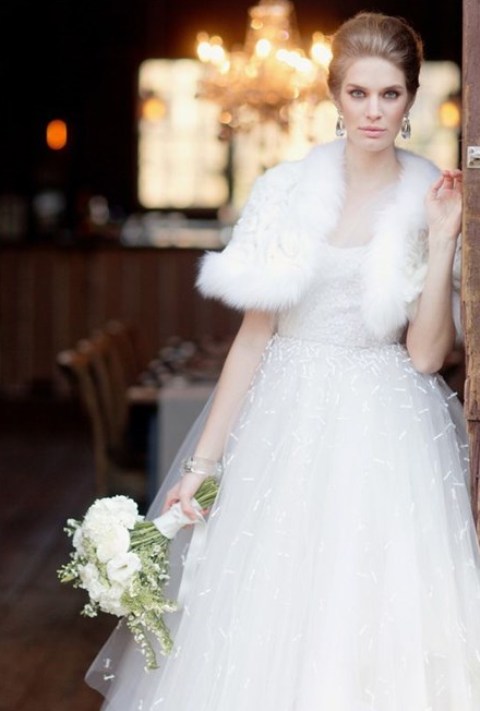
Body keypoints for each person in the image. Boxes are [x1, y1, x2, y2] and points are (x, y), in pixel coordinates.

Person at [86, 11, 480, 710]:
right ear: (334, 95)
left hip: (387, 427)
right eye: (358, 93)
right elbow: (252, 339)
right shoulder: (285, 192)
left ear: (410, 100)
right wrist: (202, 466)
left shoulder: (427, 197)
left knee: (375, 615)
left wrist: (446, 235)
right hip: (287, 418)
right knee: (272, 611)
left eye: (390, 95)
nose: (373, 111)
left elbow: (425, 355)